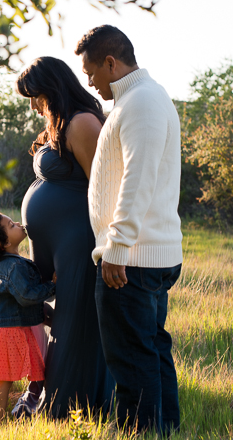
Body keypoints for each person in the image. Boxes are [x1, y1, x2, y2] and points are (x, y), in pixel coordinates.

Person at [76, 25, 183, 435]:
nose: (89, 82)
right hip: (144, 255)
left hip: (133, 260)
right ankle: (167, 431)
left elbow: (137, 179)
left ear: (110, 62)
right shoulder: (138, 99)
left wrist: (116, 247)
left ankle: (141, 434)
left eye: (91, 73)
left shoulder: (141, 102)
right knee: (151, 354)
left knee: (132, 363)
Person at [14, 56, 115, 419]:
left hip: (77, 240)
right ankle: (47, 396)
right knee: (56, 321)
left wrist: (107, 246)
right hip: (56, 243)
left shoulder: (83, 123)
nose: (32, 104)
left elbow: (103, 188)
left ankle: (69, 407)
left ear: (52, 89)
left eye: (34, 95)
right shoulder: (59, 125)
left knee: (73, 322)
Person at [0, 211, 57, 426]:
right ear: (5, 242)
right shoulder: (15, 267)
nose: (18, 224)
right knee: (4, 382)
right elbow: (27, 295)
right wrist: (52, 286)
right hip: (9, 332)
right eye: (12, 225)